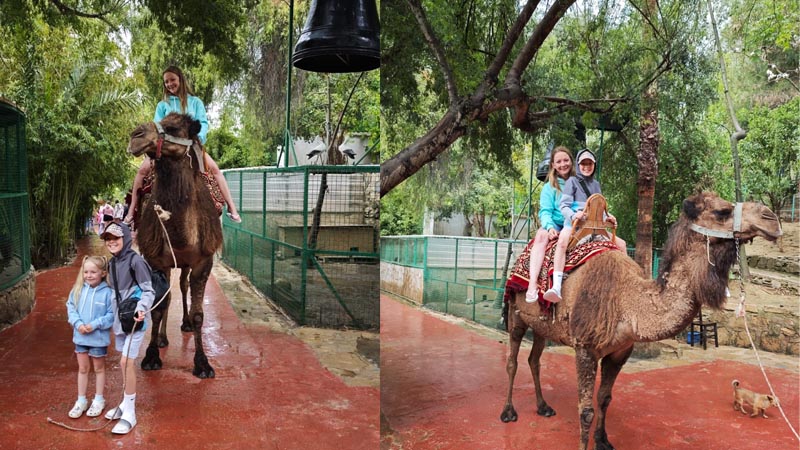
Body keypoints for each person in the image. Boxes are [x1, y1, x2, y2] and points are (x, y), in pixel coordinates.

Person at [125, 66, 241, 224]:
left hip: (192, 145)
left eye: (172, 80)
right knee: (142, 171)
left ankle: (232, 207)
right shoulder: (162, 105)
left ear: (180, 79)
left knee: (214, 170)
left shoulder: (195, 102)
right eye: (166, 82)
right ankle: (132, 210)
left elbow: (203, 123)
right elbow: (157, 126)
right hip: (167, 149)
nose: (169, 84)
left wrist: (196, 139)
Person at [543, 149, 627, 303]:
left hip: (594, 226)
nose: (586, 167)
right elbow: (564, 206)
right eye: (583, 163)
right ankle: (556, 285)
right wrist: (575, 215)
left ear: (594, 165)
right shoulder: (572, 182)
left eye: (590, 163)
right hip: (575, 225)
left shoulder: (596, 185)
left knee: (621, 244)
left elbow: (599, 208)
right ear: (578, 164)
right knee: (562, 243)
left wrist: (608, 217)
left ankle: (625, 283)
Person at [100, 222, 154, 435]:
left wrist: (141, 308)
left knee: (126, 362)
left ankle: (130, 413)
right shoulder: (112, 264)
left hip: (135, 321)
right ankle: (124, 403)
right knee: (124, 363)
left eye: (116, 237)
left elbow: (148, 291)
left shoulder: (135, 261)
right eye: (108, 238)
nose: (111, 241)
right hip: (120, 322)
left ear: (126, 238)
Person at [65, 255, 114, 419]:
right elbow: (70, 307)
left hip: (98, 339)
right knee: (83, 369)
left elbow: (111, 315)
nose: (89, 275)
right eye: (86, 272)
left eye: (93, 272)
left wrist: (94, 325)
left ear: (103, 273)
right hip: (80, 338)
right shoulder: (78, 289)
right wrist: (78, 323)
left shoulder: (108, 293)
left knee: (99, 369)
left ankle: (99, 399)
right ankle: (81, 400)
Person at [524, 146, 575, 303]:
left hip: (574, 222)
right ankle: (532, 284)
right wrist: (550, 227)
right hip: (555, 223)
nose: (563, 164)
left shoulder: (579, 183)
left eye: (566, 160)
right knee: (541, 236)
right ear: (553, 165)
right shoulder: (549, 187)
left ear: (571, 162)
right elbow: (545, 211)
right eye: (558, 161)